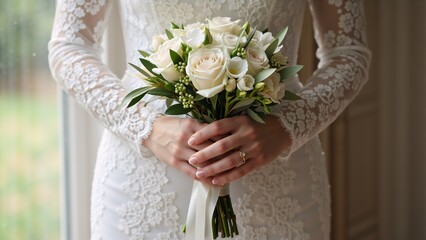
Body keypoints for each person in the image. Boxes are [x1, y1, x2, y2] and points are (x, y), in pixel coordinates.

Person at [48, 0, 371, 239]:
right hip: (142, 173)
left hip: (277, 171)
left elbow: (349, 53)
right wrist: (145, 127)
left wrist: (287, 127)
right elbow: (70, 46)